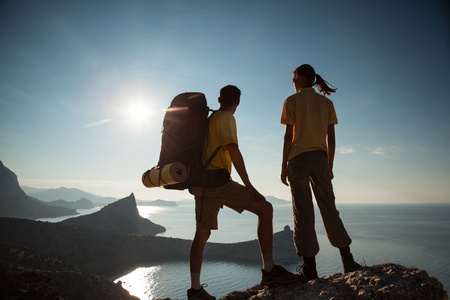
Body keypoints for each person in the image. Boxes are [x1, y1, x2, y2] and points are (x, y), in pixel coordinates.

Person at [188, 85, 301, 300]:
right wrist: (249, 185)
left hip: (202, 185)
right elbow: (234, 151)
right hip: (219, 183)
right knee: (265, 209)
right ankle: (269, 271)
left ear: (219, 99)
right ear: (237, 103)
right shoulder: (227, 119)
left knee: (201, 234)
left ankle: (195, 291)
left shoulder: (209, 120)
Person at [280, 64, 361, 281]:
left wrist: (282, 167)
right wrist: (330, 166)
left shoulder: (291, 100)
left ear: (304, 78)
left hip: (297, 160)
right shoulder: (326, 103)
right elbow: (331, 139)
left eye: (294, 78)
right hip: (320, 159)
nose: (293, 82)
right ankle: (348, 261)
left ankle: (310, 269)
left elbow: (288, 137)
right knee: (329, 208)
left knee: (303, 212)